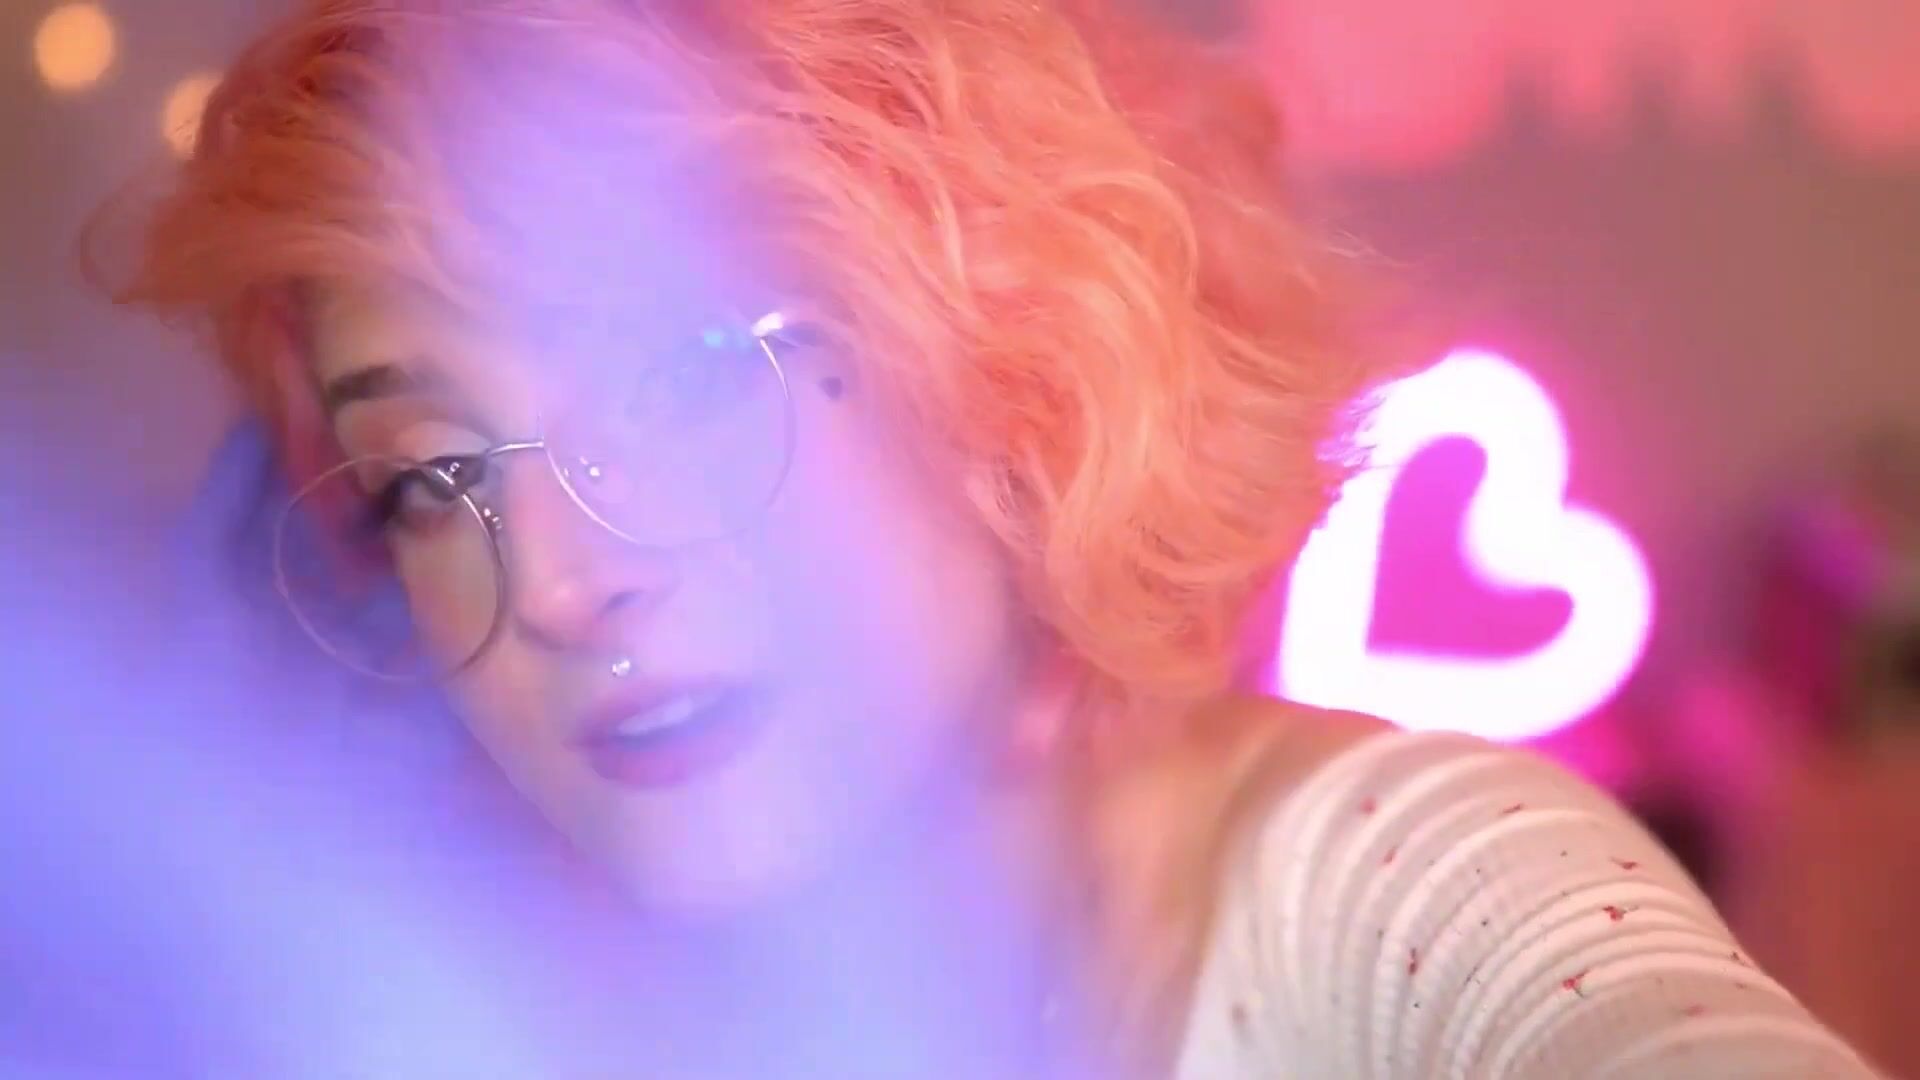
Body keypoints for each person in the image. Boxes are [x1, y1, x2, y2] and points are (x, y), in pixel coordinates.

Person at [105, 0, 1878, 1075]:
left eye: (691, 381)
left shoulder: (1397, 894)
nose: (564, 581)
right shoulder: (457, 986)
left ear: (1007, 362)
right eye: (430, 477)